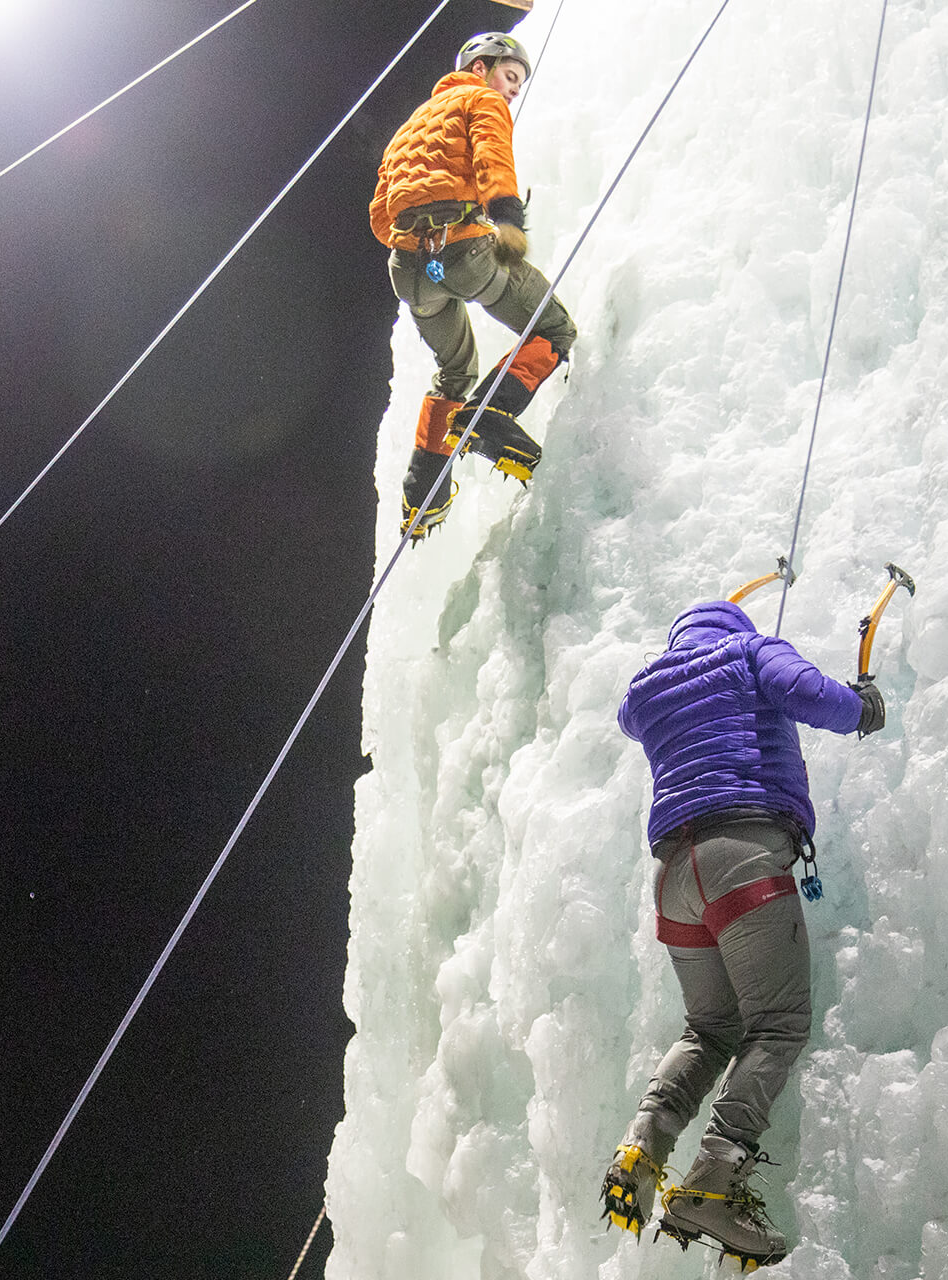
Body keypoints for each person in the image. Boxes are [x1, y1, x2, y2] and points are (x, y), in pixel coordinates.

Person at [602, 600, 887, 1267]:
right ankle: (714, 1179)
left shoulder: (648, 689)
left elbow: (627, 715)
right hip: (744, 856)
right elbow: (803, 691)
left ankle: (642, 1146)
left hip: (677, 876)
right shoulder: (749, 652)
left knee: (709, 1027)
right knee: (779, 1023)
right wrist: (863, 706)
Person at [369, 31, 578, 540]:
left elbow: (380, 215)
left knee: (454, 372)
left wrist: (417, 241)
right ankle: (491, 415)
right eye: (510, 77)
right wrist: (507, 219)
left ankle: (422, 496)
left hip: (410, 271)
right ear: (481, 69)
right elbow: (492, 157)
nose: (512, 91)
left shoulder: (408, 128)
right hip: (463, 250)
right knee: (554, 328)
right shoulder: (479, 99)